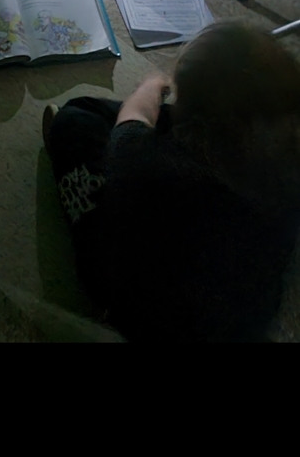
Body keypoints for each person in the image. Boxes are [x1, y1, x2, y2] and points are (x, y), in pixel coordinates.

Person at [43, 23, 300, 343]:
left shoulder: (151, 163)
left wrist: (152, 85)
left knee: (78, 117)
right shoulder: (289, 160)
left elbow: (133, 117)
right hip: (242, 320)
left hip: (142, 308)